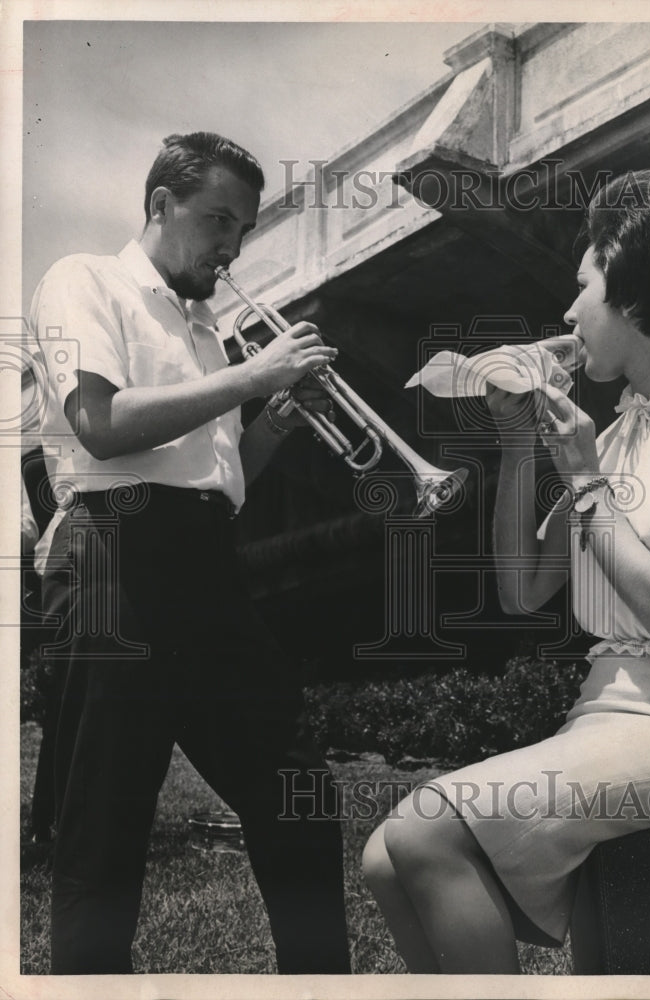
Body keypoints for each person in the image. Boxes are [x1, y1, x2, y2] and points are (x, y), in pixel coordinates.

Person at [362, 169, 650, 973]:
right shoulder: (614, 432)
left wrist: (585, 473)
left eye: (582, 284)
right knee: (384, 859)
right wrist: (520, 442)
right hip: (603, 712)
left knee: (420, 830)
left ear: (633, 291)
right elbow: (522, 588)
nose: (565, 313)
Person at [30, 131, 351, 974]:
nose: (231, 246)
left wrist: (275, 415)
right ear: (159, 205)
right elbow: (100, 426)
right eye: (216, 220)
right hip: (112, 553)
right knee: (103, 831)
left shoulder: (204, 324)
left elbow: (219, 477)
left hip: (203, 561)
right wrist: (251, 379)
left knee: (299, 792)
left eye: (241, 229)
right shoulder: (82, 279)